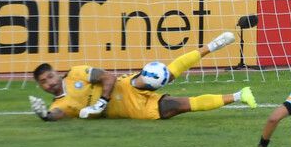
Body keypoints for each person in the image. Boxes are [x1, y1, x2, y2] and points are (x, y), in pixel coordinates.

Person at [29, 31, 255, 121]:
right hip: (131, 110)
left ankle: (212, 46)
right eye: (44, 82)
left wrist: (101, 102)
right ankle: (238, 95)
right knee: (178, 105)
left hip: (126, 86)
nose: (49, 82)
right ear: (41, 86)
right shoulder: (63, 104)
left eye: (50, 76)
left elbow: (107, 77)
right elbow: (56, 115)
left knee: (163, 75)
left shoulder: (76, 73)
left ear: (56, 73)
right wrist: (44, 116)